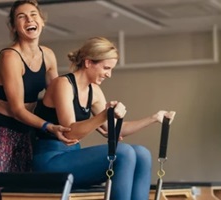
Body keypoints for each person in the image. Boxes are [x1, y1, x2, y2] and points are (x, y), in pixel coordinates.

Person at [32, 36, 176, 200]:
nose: (109, 74)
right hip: (51, 160)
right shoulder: (63, 84)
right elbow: (70, 133)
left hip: (72, 158)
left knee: (142, 154)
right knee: (124, 152)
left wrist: (154, 118)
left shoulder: (94, 90)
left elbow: (115, 129)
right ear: (88, 63)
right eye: (106, 68)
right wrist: (104, 115)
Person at [0, 1, 76, 200]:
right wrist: (49, 127)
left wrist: (95, 114)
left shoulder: (47, 55)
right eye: (21, 16)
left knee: (22, 194)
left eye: (33, 14)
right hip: (1, 131)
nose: (29, 19)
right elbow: (17, 109)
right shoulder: (10, 57)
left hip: (28, 131)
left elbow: (58, 94)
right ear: (14, 27)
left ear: (42, 21)